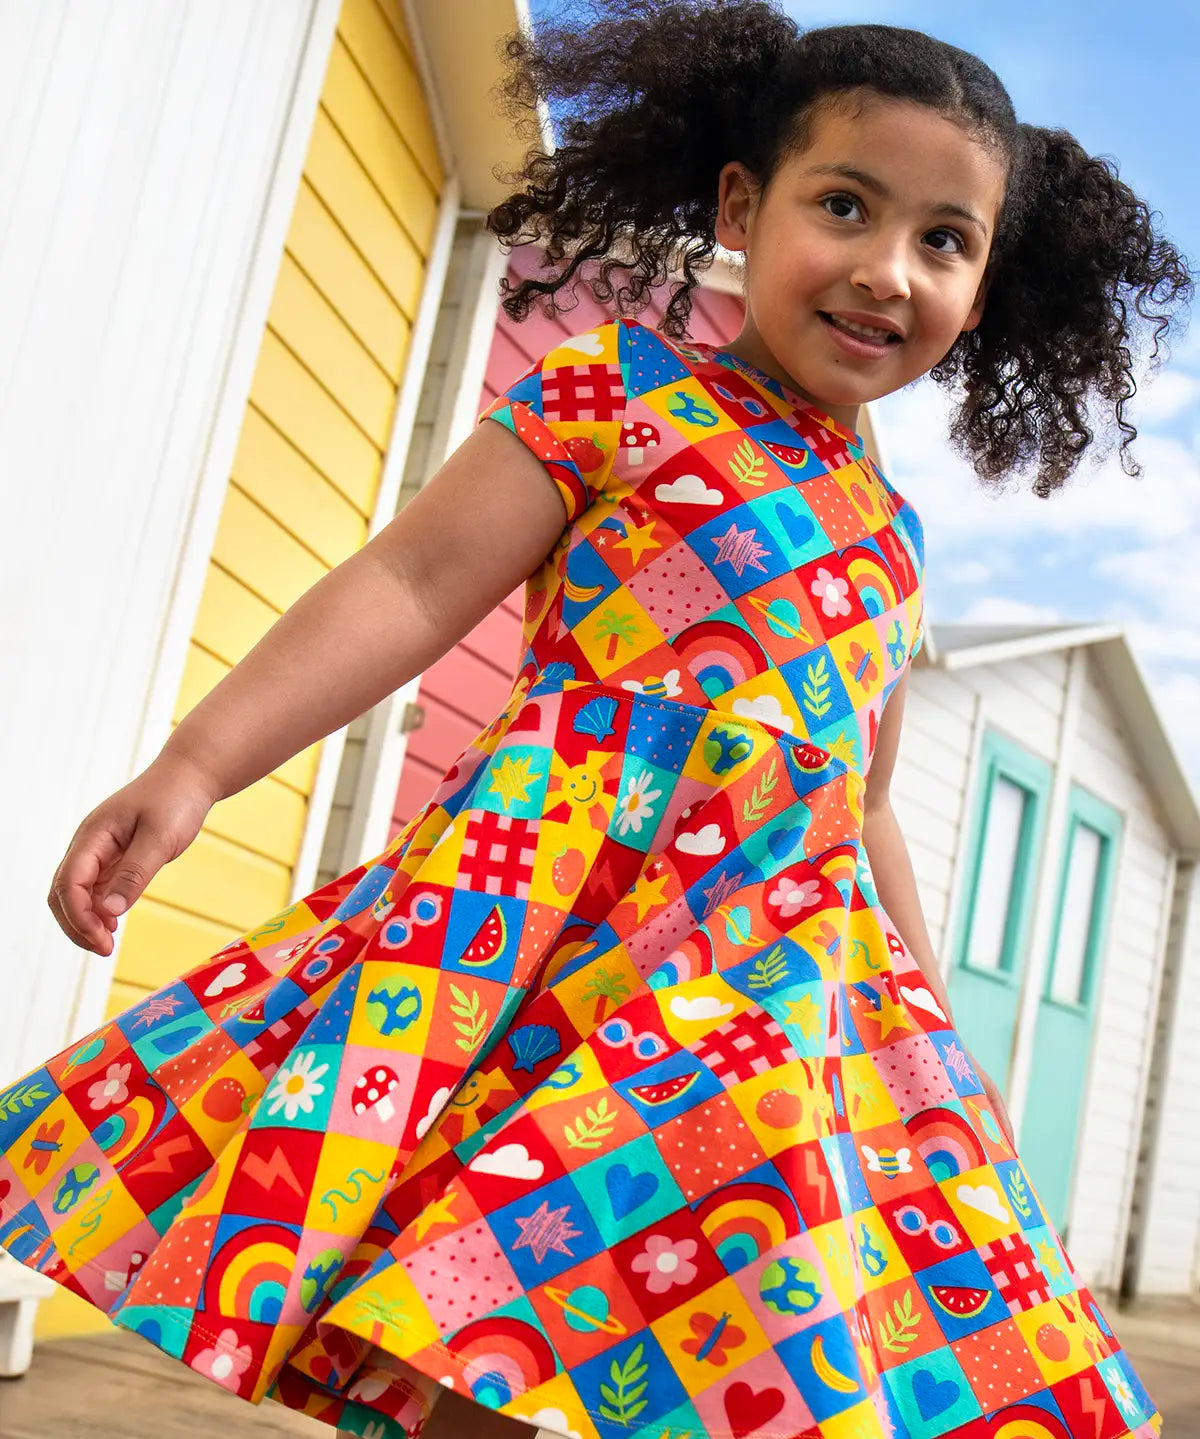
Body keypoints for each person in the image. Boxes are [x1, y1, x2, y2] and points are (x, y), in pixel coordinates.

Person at [0, 3, 1190, 1437]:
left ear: (982, 291)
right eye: (844, 205)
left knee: (702, 1342)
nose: (888, 268)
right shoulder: (621, 394)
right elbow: (408, 584)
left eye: (944, 240)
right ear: (740, 209)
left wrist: (930, 1031)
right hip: (550, 943)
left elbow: (863, 799)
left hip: (757, 992)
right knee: (481, 1318)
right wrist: (196, 767)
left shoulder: (893, 535)